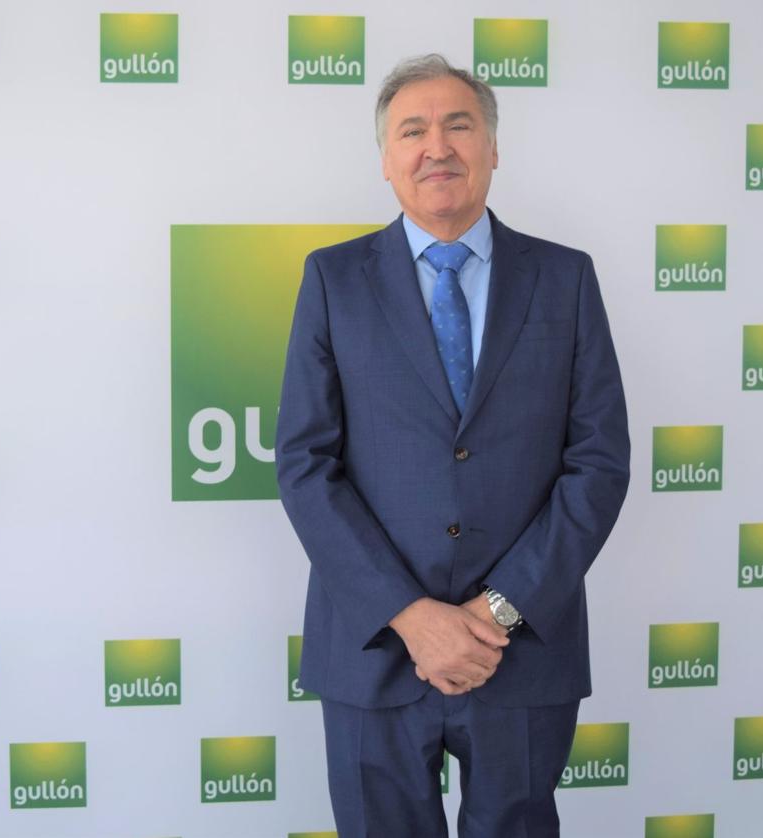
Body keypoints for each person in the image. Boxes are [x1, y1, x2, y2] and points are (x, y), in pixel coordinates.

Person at [275, 53, 630, 838]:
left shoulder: (565, 279)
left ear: (493, 147)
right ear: (386, 159)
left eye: (458, 125)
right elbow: (305, 464)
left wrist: (495, 612)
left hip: (521, 651)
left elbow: (599, 463)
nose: (436, 147)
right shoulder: (333, 280)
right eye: (413, 131)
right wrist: (411, 616)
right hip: (374, 648)